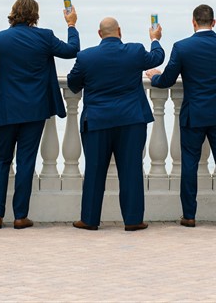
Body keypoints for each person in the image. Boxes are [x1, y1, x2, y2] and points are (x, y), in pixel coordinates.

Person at [148, 4, 216, 228]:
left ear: (193, 22)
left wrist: (154, 77)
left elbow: (167, 80)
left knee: (189, 164)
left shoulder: (182, 47)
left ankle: (189, 215)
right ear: (214, 22)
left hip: (194, 114)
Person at [0, 0, 79, 229]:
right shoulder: (45, 37)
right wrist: (71, 24)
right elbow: (72, 50)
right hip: (34, 109)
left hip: (6, 109)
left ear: (13, 12)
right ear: (35, 15)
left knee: (1, 160)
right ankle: (20, 216)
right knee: (26, 161)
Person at [66, 17, 164, 231]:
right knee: (131, 170)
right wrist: (155, 38)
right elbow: (157, 57)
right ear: (120, 31)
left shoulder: (86, 57)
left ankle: (90, 219)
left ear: (99, 34)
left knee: (94, 170)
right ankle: (133, 220)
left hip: (97, 121)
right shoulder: (135, 51)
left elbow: (73, 85)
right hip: (131, 120)